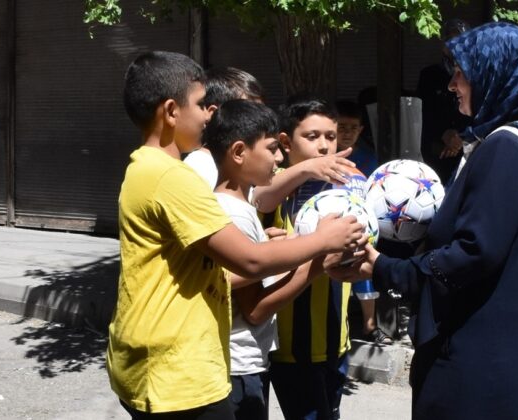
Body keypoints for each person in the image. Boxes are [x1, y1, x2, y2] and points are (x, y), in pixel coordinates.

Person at [326, 23, 518, 419]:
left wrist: (385, 268)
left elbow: (474, 252)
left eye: (462, 73)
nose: (452, 85)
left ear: (496, 72)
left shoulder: (507, 147)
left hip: (491, 361)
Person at [108, 51, 363, 419]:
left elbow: (208, 253)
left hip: (151, 362)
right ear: (170, 111)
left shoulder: (143, 167)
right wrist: (323, 242)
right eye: (201, 105)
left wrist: (274, 243)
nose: (210, 114)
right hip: (176, 372)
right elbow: (249, 260)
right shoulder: (173, 176)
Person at [205, 99, 335, 420]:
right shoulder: (237, 213)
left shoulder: (228, 206)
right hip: (240, 367)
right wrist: (313, 261)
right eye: (272, 148)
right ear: (238, 153)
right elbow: (254, 310)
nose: (278, 158)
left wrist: (269, 245)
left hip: (237, 362)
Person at [255, 97, 353, 419]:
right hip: (291, 348)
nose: (324, 146)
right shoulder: (278, 183)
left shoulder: (348, 185)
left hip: (336, 340)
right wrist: (307, 168)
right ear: (286, 141)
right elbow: (261, 197)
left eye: (330, 136)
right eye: (311, 137)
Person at [335, 100, 393, 345]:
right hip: (334, 222)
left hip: (361, 223)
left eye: (353, 128)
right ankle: (340, 326)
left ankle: (370, 326)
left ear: (360, 130)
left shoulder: (368, 157)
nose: (347, 133)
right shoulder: (327, 155)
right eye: (342, 127)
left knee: (364, 271)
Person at [184, 67, 265, 190]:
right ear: (214, 114)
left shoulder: (244, 165)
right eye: (247, 111)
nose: (260, 120)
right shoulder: (199, 167)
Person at [416, 18, 473, 184]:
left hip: (467, 149)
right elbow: (422, 113)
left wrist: (461, 138)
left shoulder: (476, 72)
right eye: (450, 40)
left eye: (461, 40)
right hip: (436, 151)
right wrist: (443, 133)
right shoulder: (430, 75)